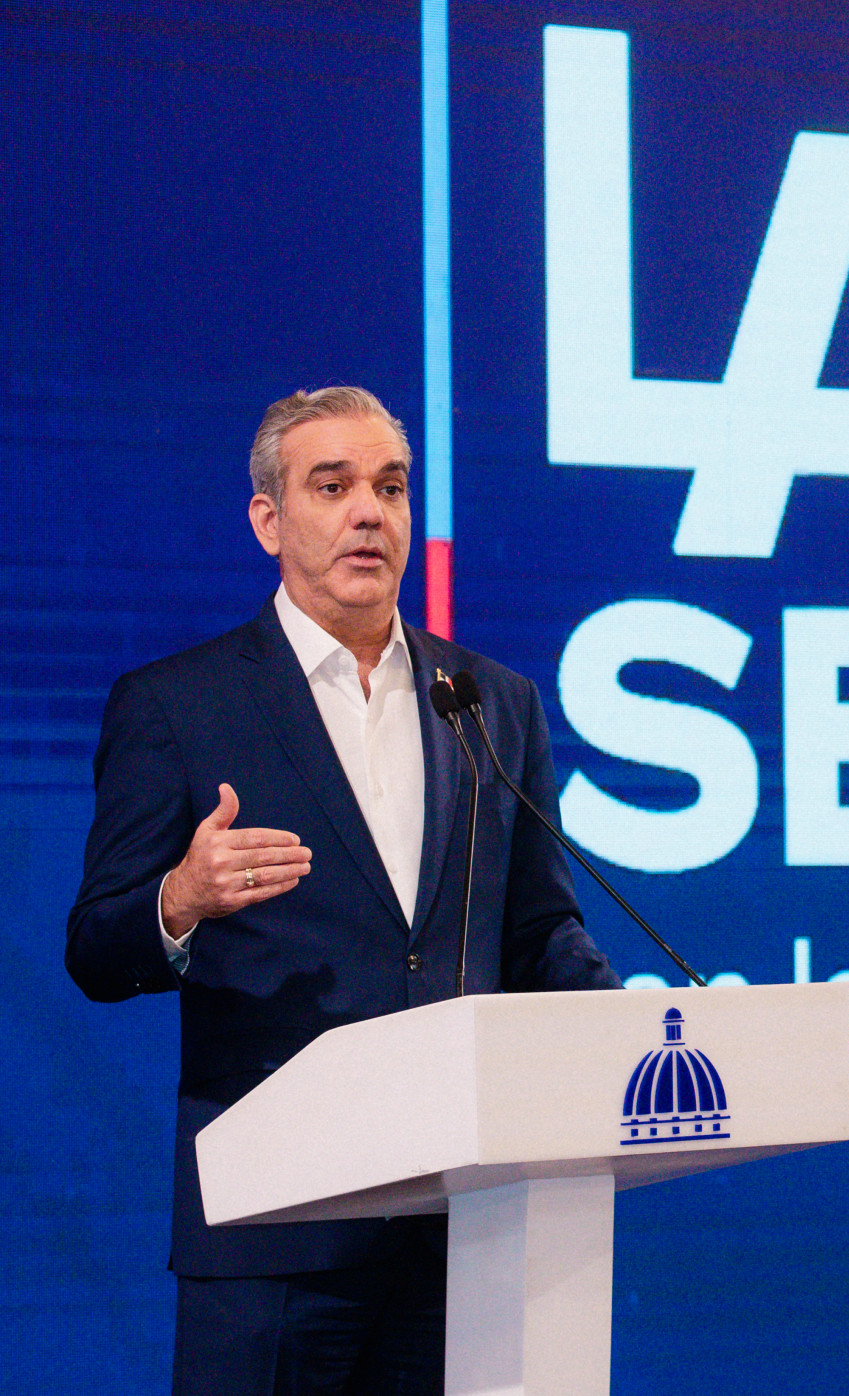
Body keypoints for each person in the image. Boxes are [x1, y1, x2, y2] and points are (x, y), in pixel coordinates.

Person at [66, 386, 623, 1395]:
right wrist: (178, 900)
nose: (369, 511)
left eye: (390, 486)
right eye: (332, 486)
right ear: (268, 520)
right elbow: (96, 948)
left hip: (462, 1223)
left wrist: (627, 1025)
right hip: (275, 1232)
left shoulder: (489, 702)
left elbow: (539, 925)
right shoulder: (178, 705)